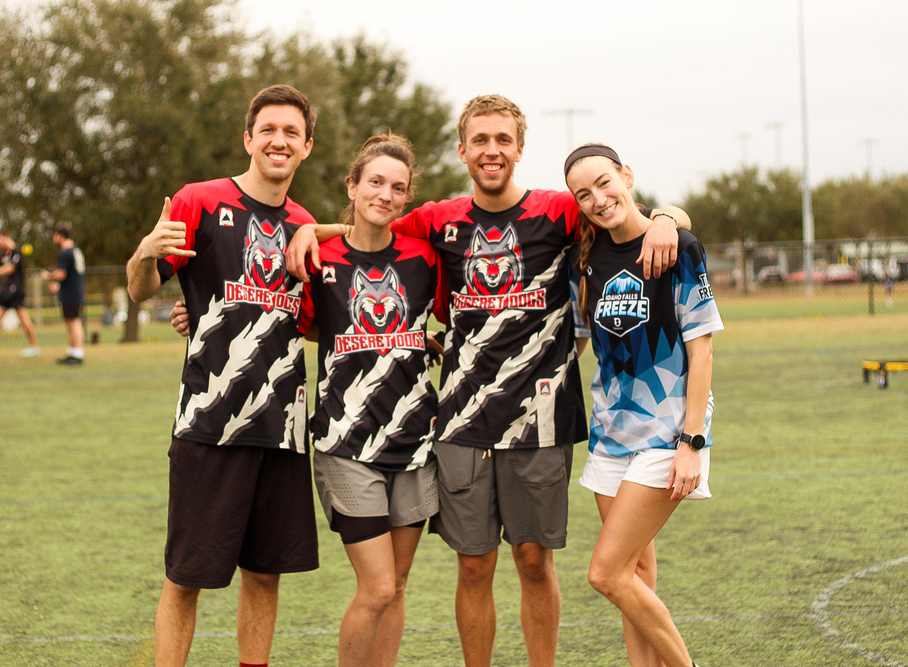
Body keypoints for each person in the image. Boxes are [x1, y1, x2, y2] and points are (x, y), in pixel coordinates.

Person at [287, 95, 691, 667]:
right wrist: (311, 230)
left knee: (534, 562)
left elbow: (630, 211)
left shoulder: (559, 210)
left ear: (520, 148)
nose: (492, 150)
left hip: (541, 419)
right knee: (474, 566)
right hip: (460, 421)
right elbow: (371, 223)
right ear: (463, 150)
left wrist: (669, 217)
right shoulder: (439, 219)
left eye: (503, 139)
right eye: (480, 140)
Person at [125, 84, 319, 667]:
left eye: (291, 132)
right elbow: (141, 290)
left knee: (264, 575)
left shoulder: (305, 224)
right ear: (248, 139)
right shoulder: (200, 200)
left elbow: (313, 319)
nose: (279, 141)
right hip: (209, 424)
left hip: (282, 428)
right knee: (186, 578)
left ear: (306, 146)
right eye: (269, 130)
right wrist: (145, 252)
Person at [565, 144, 723, 667]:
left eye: (604, 183)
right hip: (610, 435)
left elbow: (702, 350)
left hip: (668, 433)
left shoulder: (677, 246)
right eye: (583, 194)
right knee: (634, 576)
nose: (598, 199)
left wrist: (691, 442)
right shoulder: (582, 259)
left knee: (606, 573)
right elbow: (578, 341)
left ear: (626, 176)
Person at [297, 134, 445, 666]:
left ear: (407, 197)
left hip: (414, 441)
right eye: (375, 182)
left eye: (398, 188)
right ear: (352, 186)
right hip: (345, 441)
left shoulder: (425, 256)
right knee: (378, 587)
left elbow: (464, 311)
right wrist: (190, 312)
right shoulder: (319, 256)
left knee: (398, 585)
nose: (385, 194)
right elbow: (296, 322)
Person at [0, 230, 39, 358]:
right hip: (6, 289)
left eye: (0, 239)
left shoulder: (17, 252)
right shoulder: (4, 254)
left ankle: (34, 346)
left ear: (7, 237)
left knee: (23, 319)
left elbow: (9, 268)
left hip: (16, 290)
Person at [41, 224, 86, 365]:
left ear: (60, 236)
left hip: (71, 293)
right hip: (75, 290)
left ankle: (77, 354)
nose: (53, 239)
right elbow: (72, 274)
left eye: (55, 235)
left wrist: (48, 276)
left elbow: (61, 274)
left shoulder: (65, 252)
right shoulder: (76, 250)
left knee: (74, 322)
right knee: (71, 322)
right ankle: (72, 352)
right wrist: (58, 285)